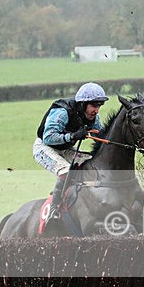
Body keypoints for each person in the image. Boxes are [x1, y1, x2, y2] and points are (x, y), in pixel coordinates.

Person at [33, 82, 109, 220]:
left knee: (91, 165)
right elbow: (48, 137)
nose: (96, 110)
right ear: (82, 104)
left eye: (99, 106)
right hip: (44, 148)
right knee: (66, 171)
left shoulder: (93, 117)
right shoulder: (62, 112)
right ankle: (54, 210)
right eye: (93, 106)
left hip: (65, 149)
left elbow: (100, 135)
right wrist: (73, 136)